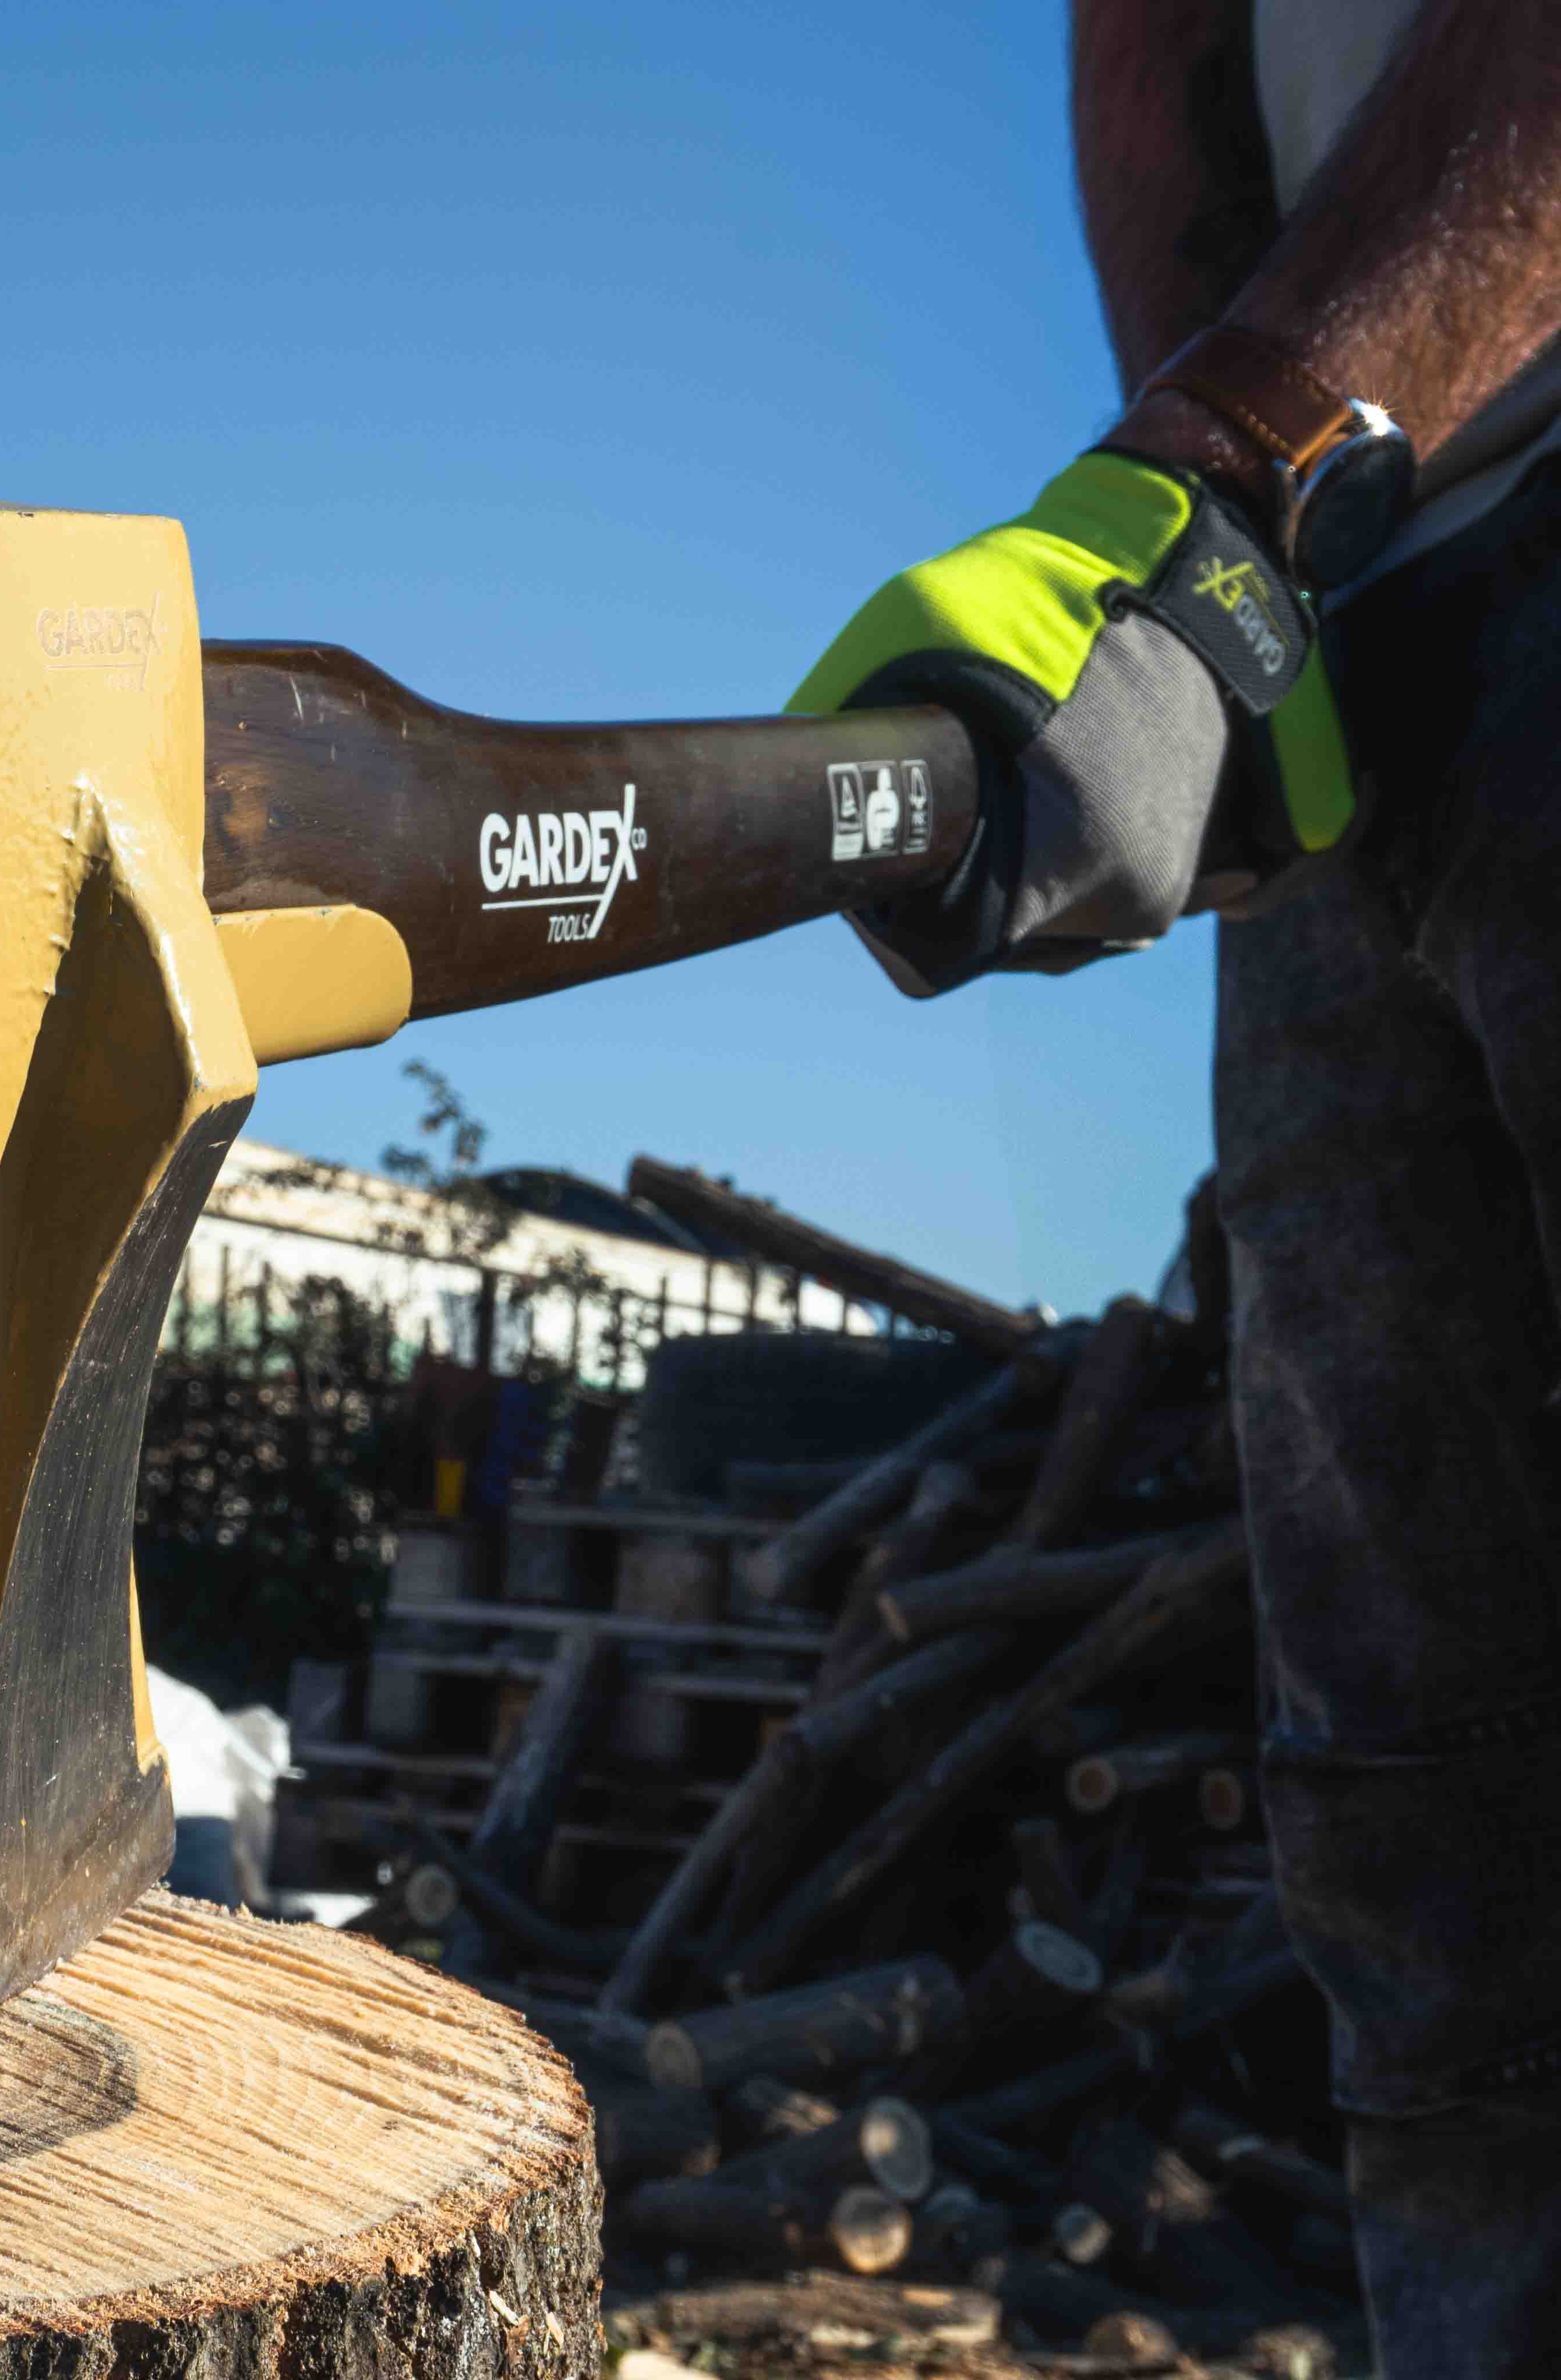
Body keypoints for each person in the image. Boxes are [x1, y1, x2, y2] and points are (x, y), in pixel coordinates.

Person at [790, 6, 1561, 2368]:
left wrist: (1216, 483)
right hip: (1374, 602)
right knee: (1414, 1795)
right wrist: (1226, 603)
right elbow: (1155, 53)